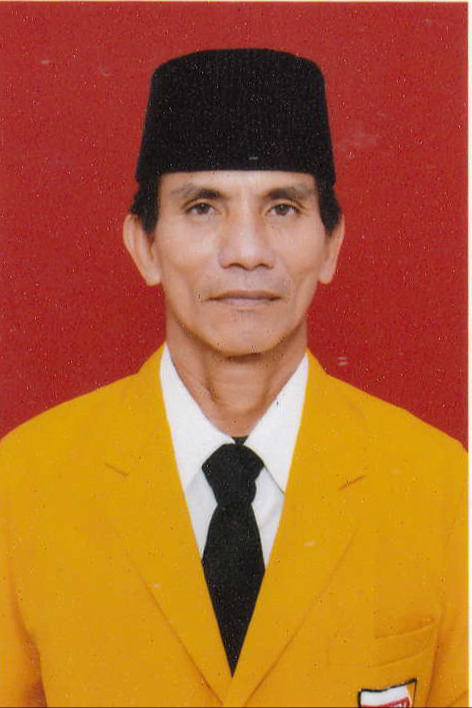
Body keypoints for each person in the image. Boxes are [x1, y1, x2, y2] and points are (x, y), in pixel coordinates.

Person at [0, 49, 467, 708]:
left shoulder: (442, 487)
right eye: (202, 207)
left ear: (331, 244)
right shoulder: (23, 484)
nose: (247, 252)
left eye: (283, 208)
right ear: (144, 245)